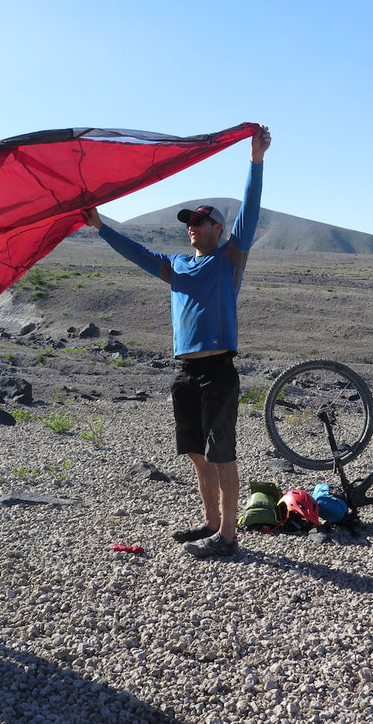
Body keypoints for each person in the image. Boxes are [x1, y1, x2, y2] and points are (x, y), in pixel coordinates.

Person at [82, 126, 271, 558]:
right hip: (184, 372)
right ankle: (208, 522)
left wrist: (256, 161)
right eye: (189, 223)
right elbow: (137, 254)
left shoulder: (230, 258)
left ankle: (227, 536)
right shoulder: (176, 266)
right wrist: (102, 227)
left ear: (218, 228)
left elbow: (252, 210)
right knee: (195, 454)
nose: (192, 227)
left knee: (222, 454)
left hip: (218, 370)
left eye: (200, 221)